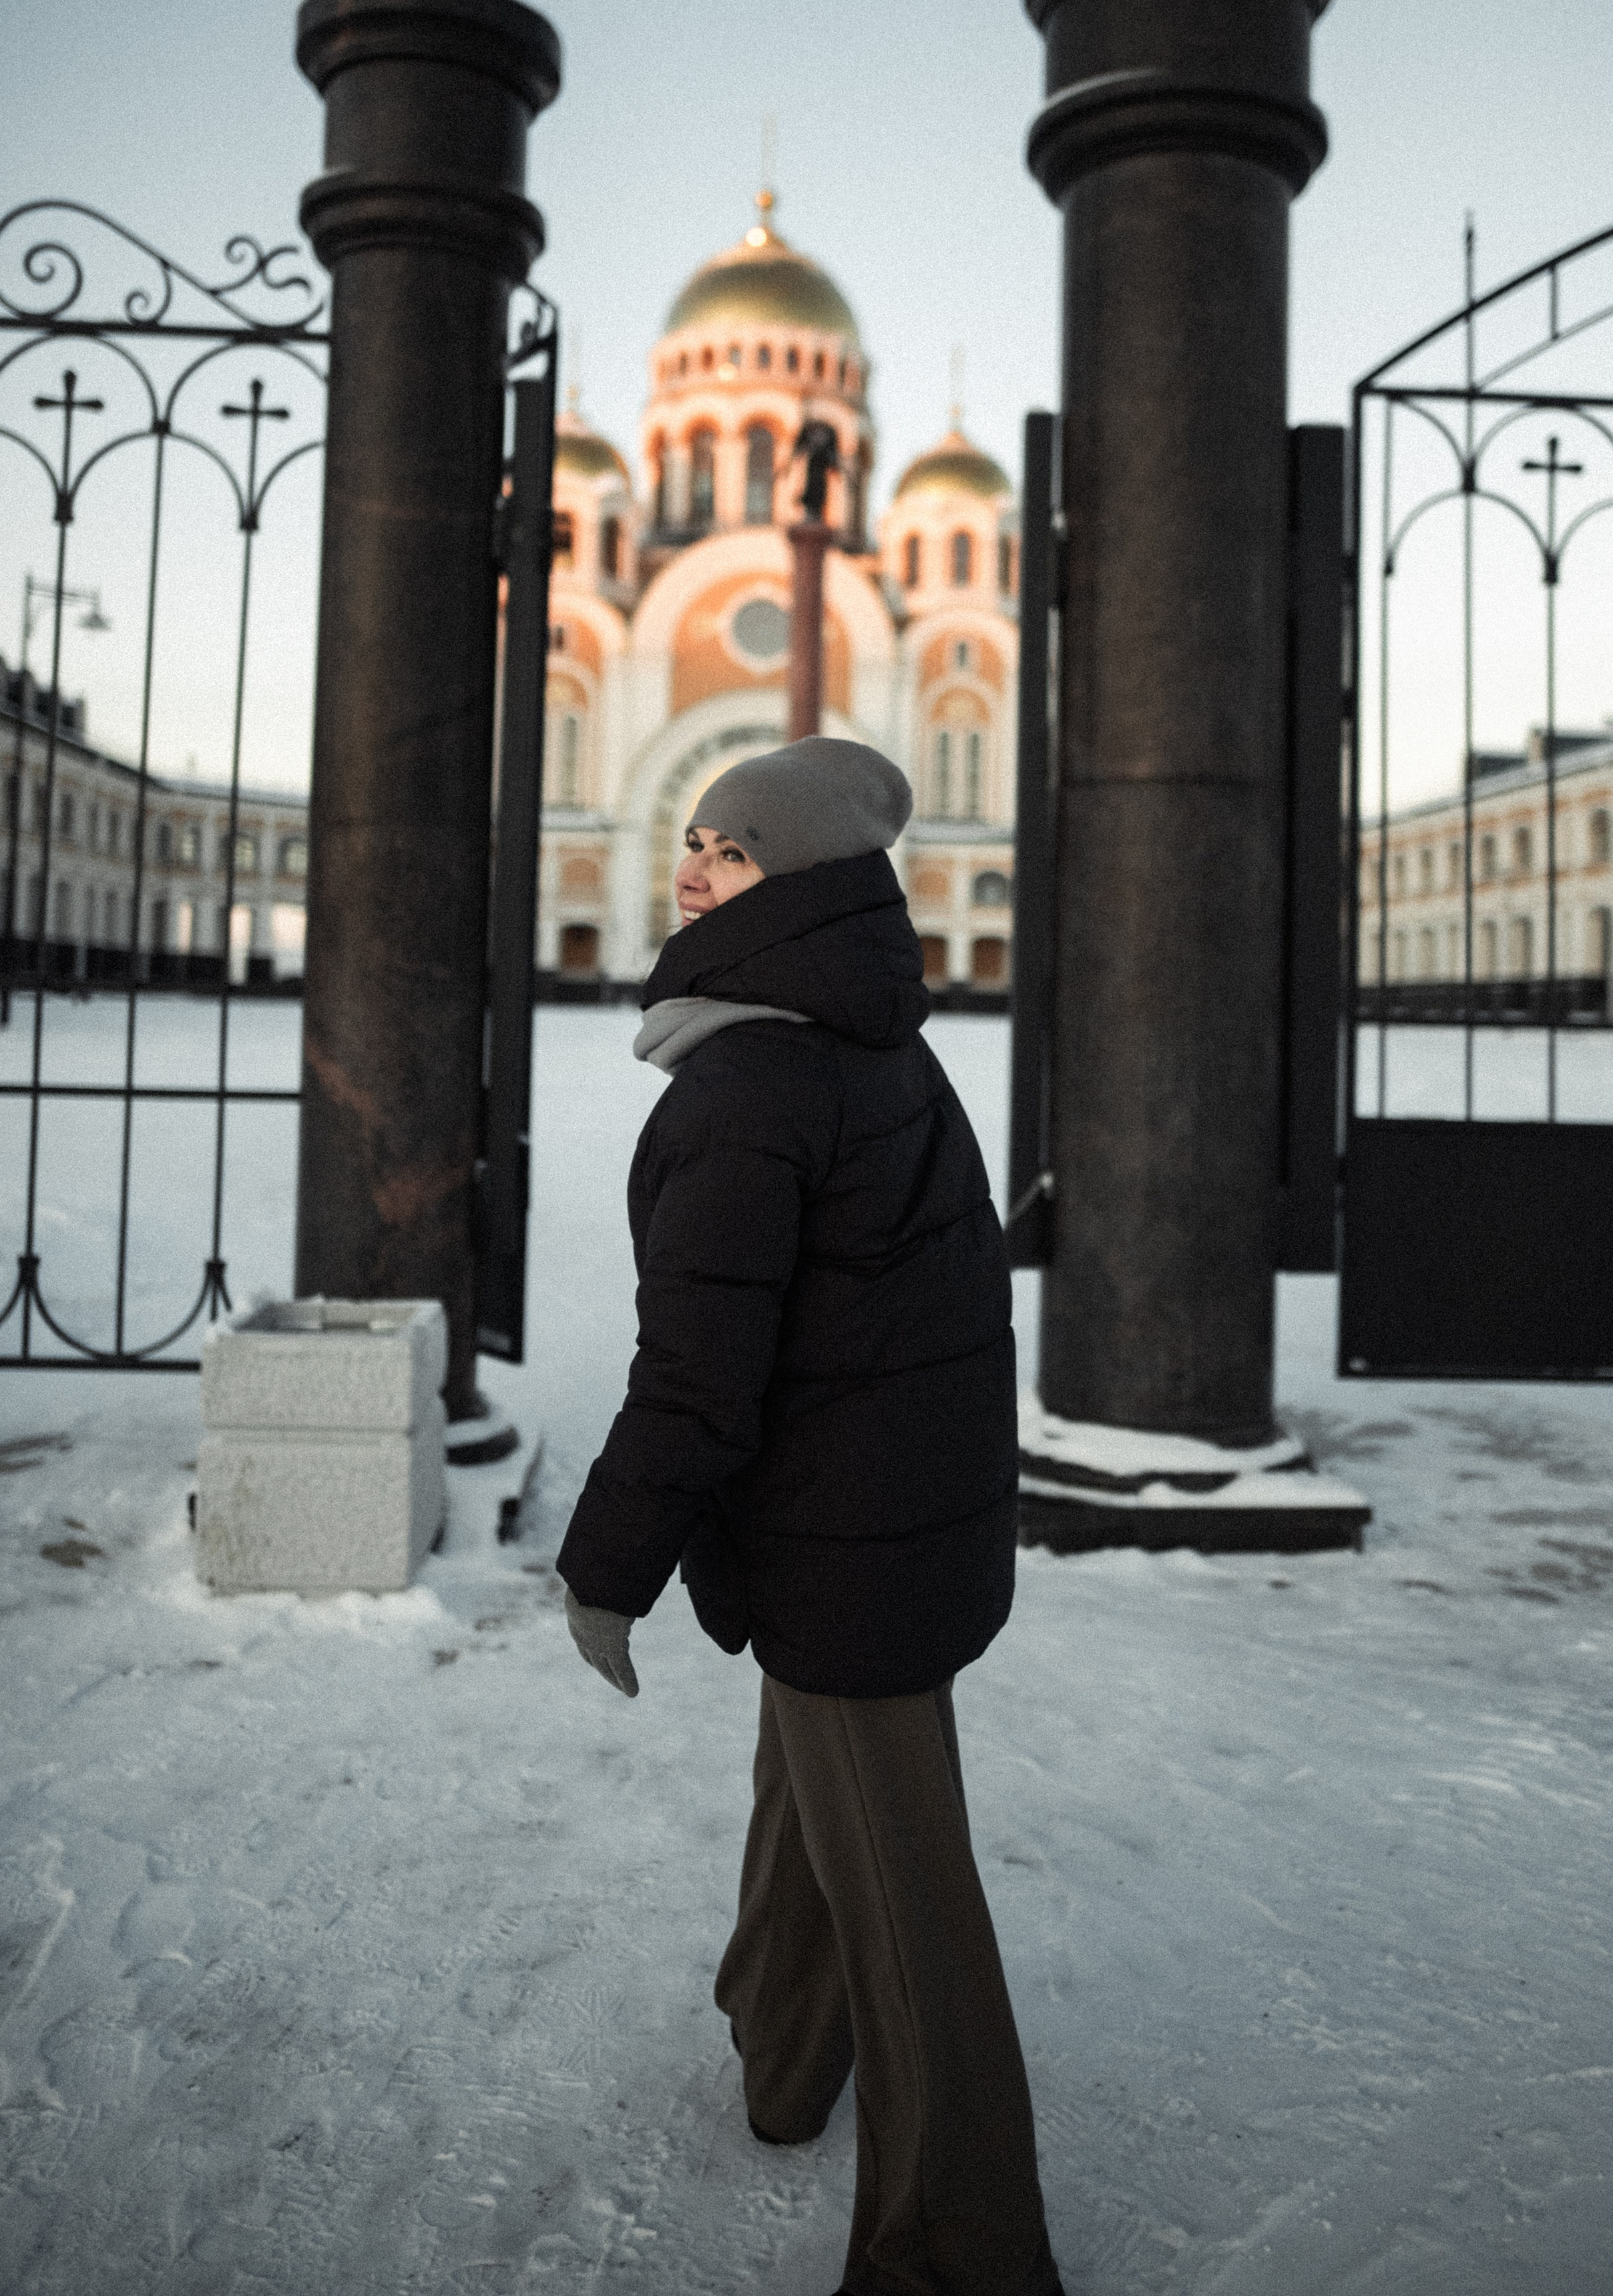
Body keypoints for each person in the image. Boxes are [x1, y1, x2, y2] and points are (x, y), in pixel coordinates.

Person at [556, 734, 1061, 2296]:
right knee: (812, 1794)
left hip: (854, 1538)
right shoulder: (868, 1043)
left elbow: (698, 1372)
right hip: (884, 1521)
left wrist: (606, 1564)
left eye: (736, 849)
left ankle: (957, 2247)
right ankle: (783, 2056)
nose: (694, 865)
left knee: (908, 1905)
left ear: (810, 882)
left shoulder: (756, 1080)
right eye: (695, 839)